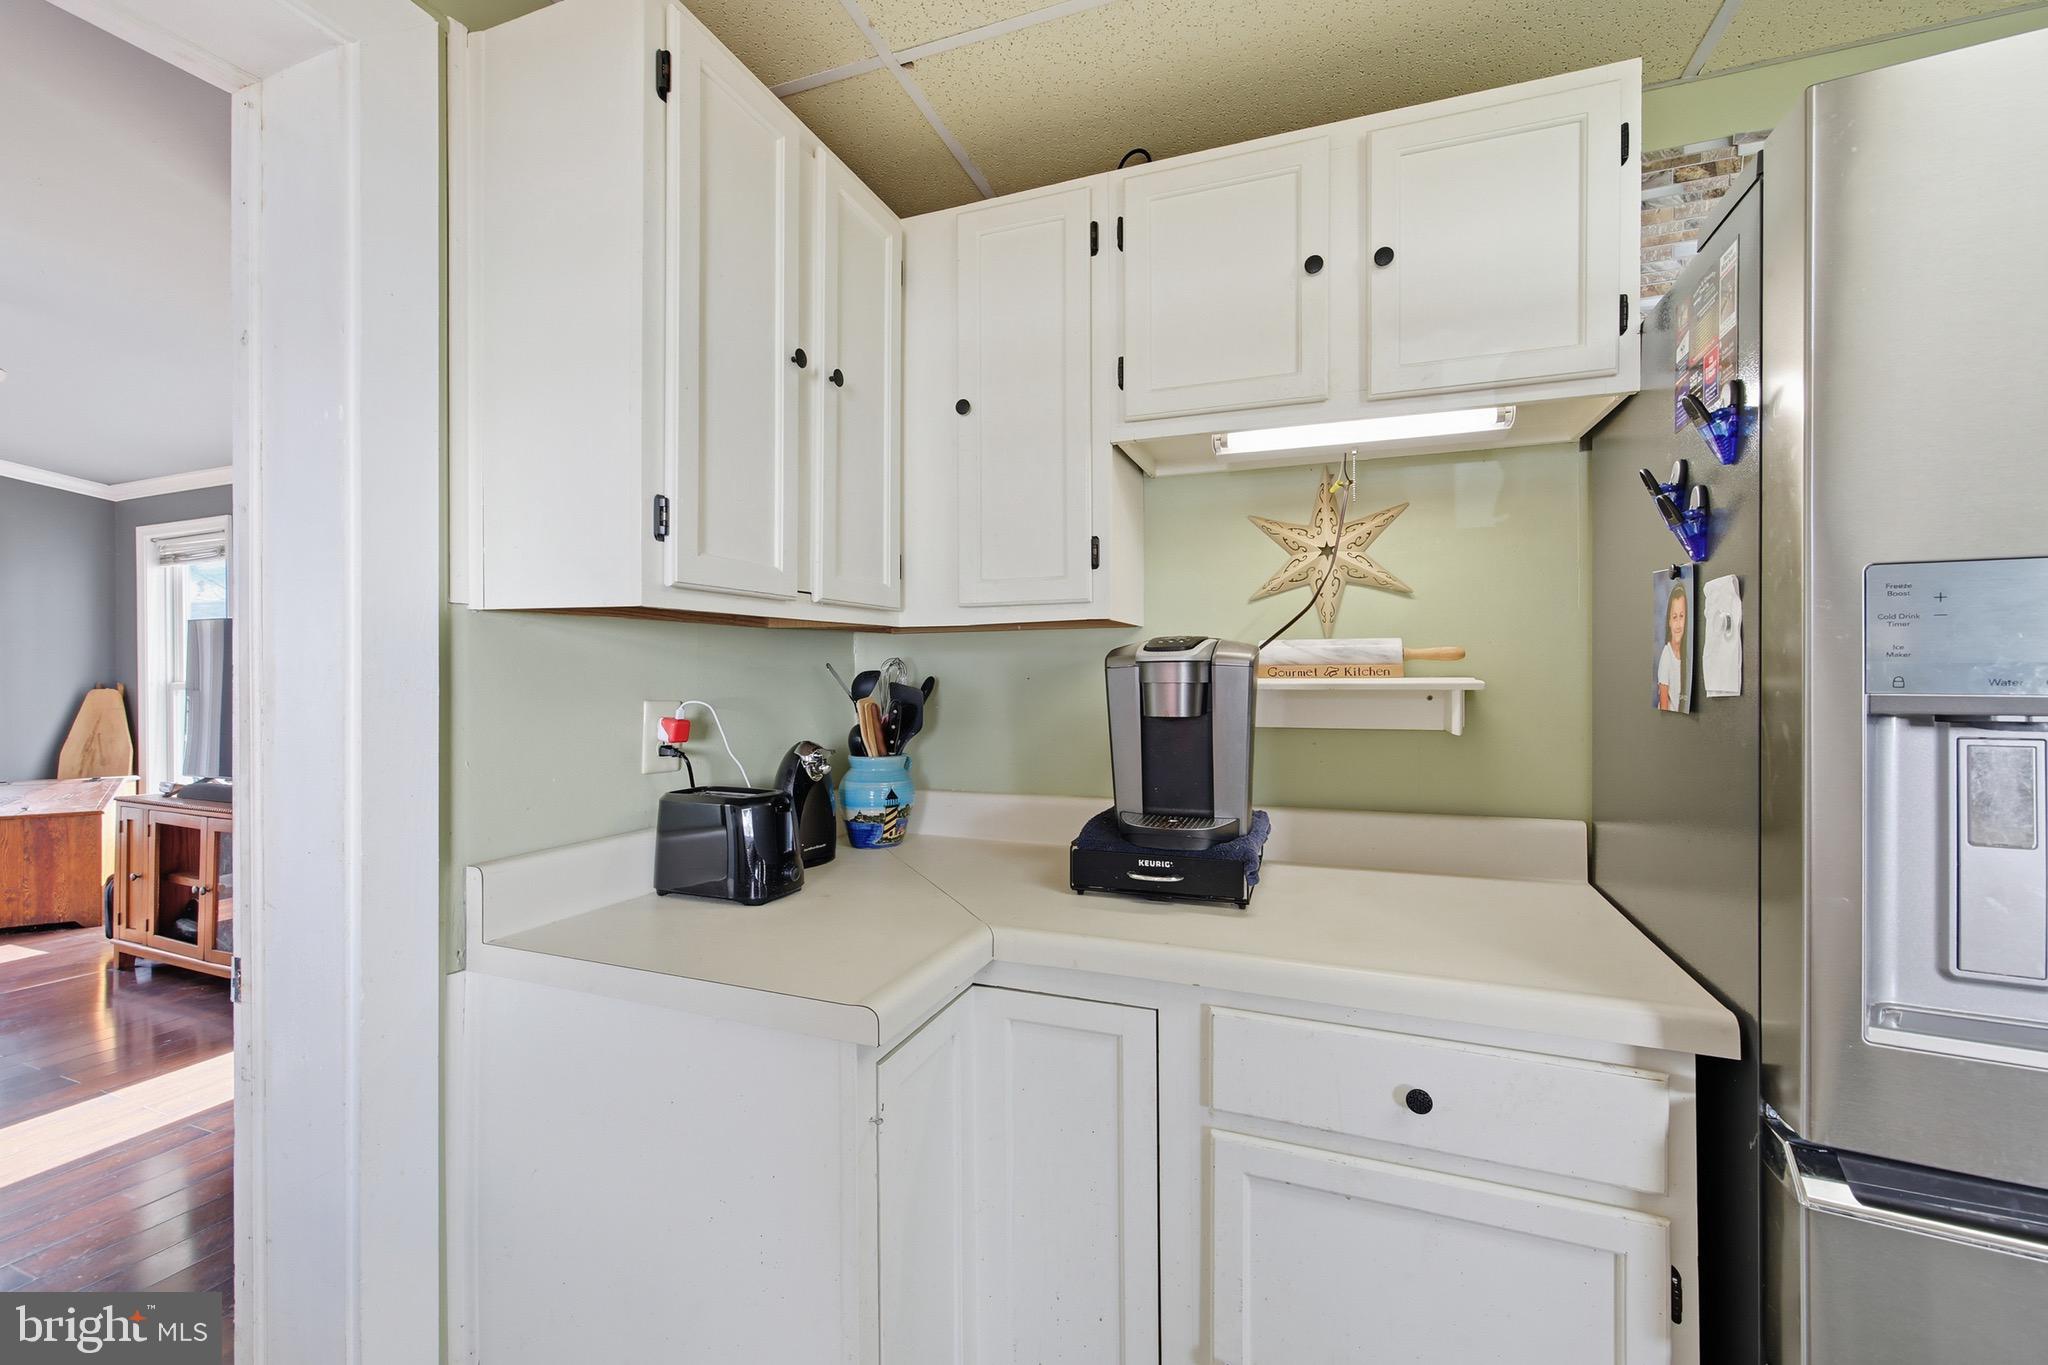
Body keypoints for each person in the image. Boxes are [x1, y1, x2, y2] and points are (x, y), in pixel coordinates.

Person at [1658, 579, 1688, 711]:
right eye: (1674, 617)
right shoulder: (1667, 655)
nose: (1678, 624)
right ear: (1669, 621)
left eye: (1682, 616)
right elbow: (1664, 706)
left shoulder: (1687, 655)